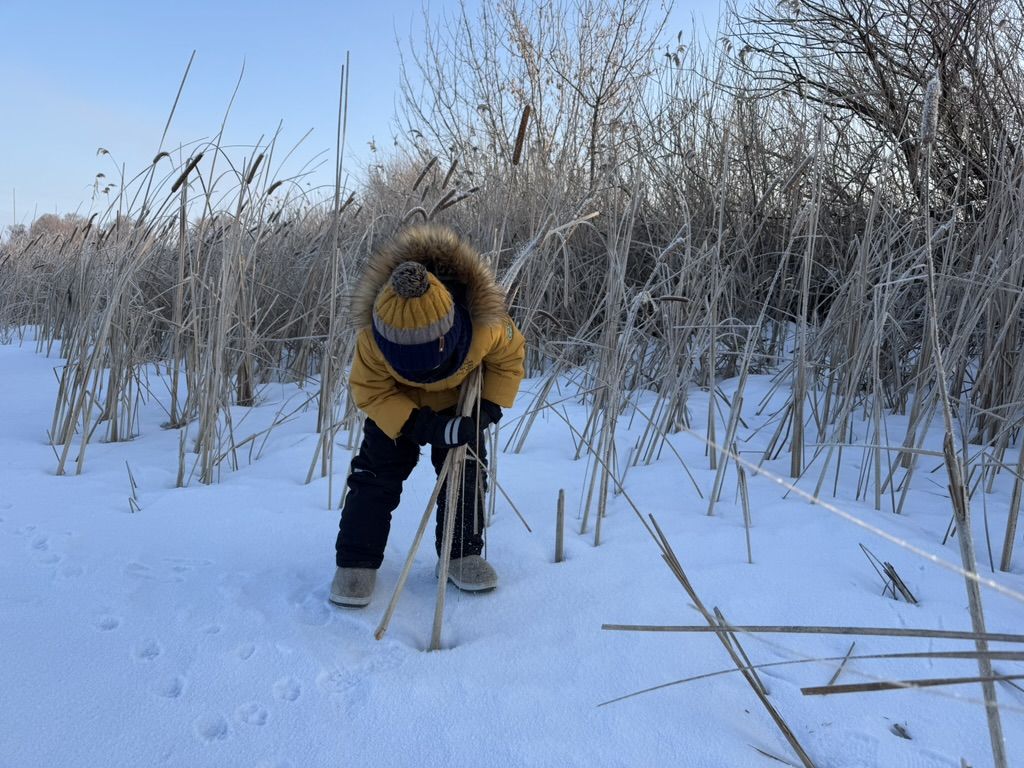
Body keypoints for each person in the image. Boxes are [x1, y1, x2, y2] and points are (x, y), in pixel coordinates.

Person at [330, 224, 526, 608]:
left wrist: (486, 409)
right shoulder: (371, 338)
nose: (420, 372)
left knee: (466, 473)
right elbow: (371, 389)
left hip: (459, 404)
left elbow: (509, 358)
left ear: (449, 335)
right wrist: (419, 425)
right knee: (374, 478)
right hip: (399, 408)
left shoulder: (486, 325)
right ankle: (356, 561)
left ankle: (460, 555)